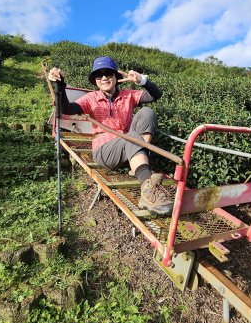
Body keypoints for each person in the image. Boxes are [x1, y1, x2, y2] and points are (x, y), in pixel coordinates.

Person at [48, 56, 174, 216]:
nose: (104, 77)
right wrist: (60, 84)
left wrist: (142, 81)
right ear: (95, 81)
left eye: (108, 73)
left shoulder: (128, 95)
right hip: (105, 151)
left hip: (128, 146)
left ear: (116, 78)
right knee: (132, 136)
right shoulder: (90, 99)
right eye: (99, 75)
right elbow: (65, 109)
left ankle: (139, 166)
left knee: (147, 112)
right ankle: (149, 190)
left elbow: (156, 95)